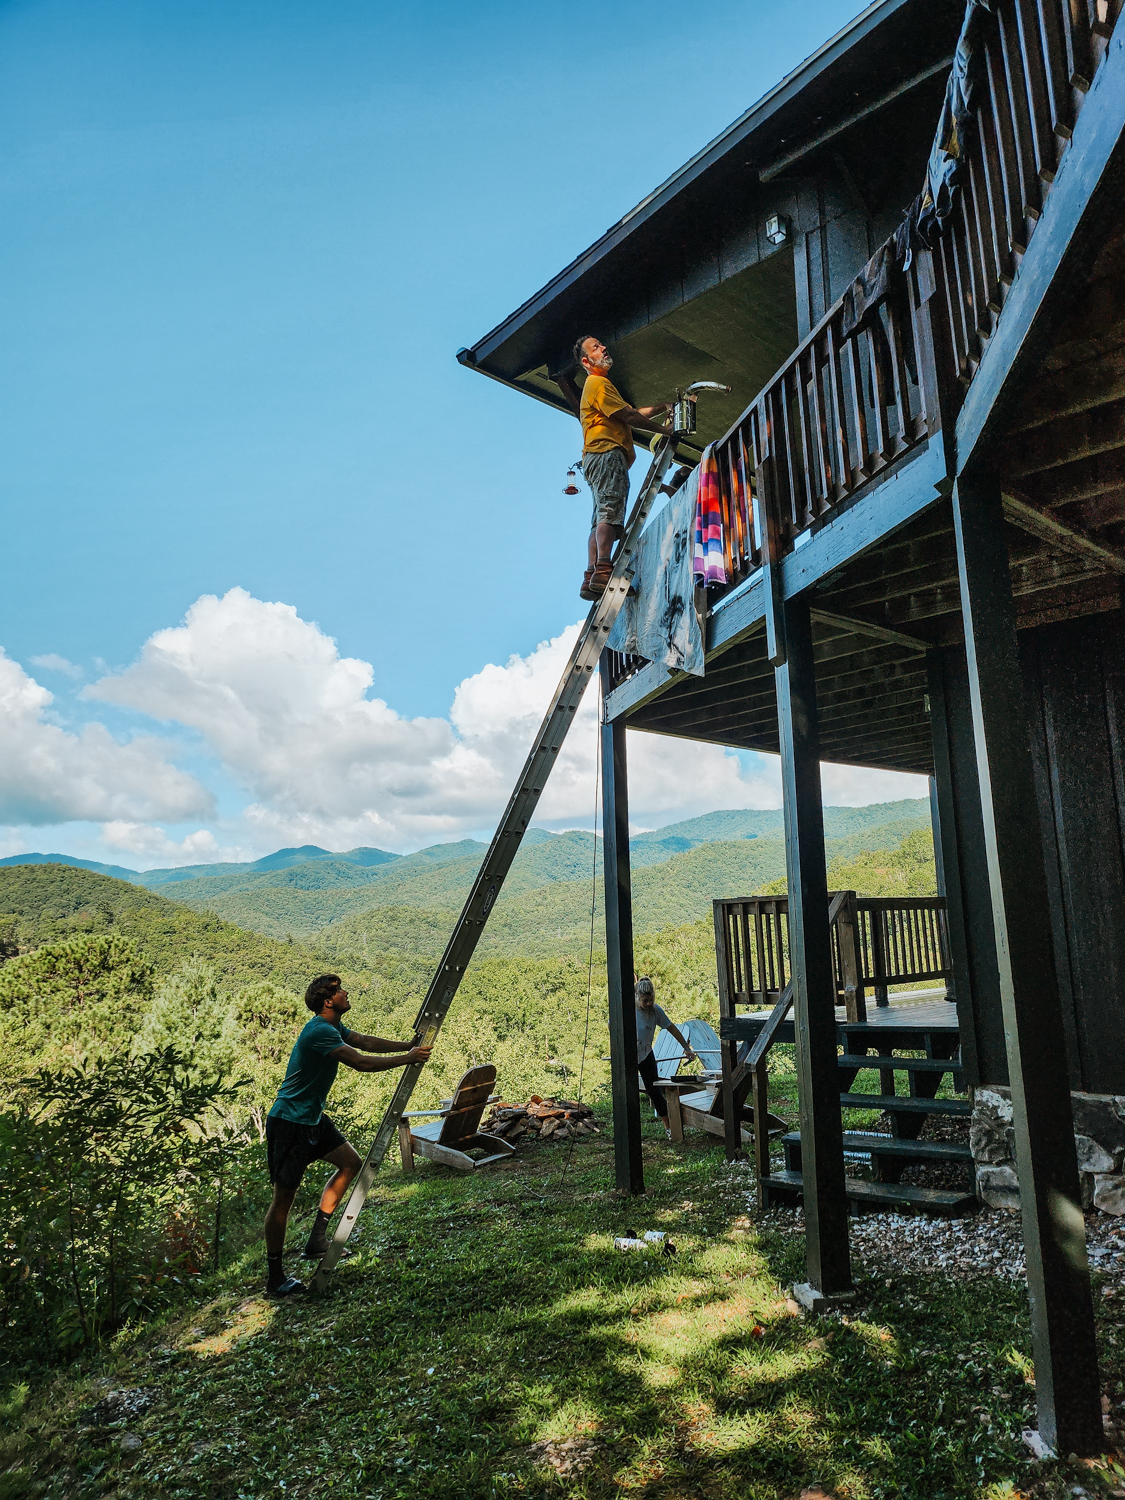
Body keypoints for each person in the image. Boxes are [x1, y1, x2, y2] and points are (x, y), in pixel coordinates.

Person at [263, 973, 432, 1297]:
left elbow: (365, 1042)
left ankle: (316, 1240)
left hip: (311, 1119)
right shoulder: (319, 1031)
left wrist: (407, 1044)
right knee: (283, 1199)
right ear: (328, 1001)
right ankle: (275, 1277)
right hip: (289, 1122)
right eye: (339, 991)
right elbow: (360, 1062)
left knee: (350, 1163)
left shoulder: (333, 1027)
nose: (345, 993)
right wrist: (407, 1059)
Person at [574, 335, 671, 600]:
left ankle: (592, 575)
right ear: (586, 360)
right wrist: (665, 430)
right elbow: (627, 416)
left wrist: (662, 408)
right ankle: (604, 571)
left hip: (595, 457)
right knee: (609, 512)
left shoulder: (598, 387)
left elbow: (629, 412)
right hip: (607, 454)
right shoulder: (598, 383)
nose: (603, 348)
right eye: (596, 347)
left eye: (601, 344)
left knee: (600, 518)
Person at [635, 976, 697, 1138]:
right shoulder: (628, 1009)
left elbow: (672, 1029)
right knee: (627, 1092)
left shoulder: (655, 1011)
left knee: (654, 1091)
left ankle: (669, 1128)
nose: (648, 1004)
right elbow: (610, 1024)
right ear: (637, 998)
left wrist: (686, 1047)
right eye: (644, 1001)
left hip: (646, 1053)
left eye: (650, 1000)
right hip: (628, 1054)